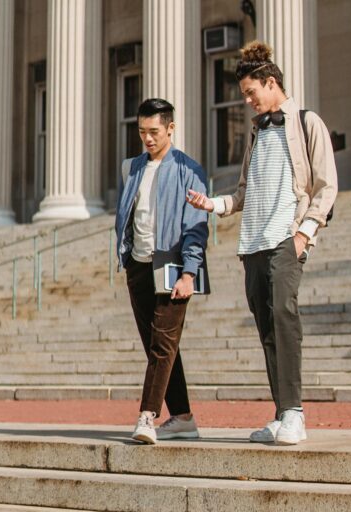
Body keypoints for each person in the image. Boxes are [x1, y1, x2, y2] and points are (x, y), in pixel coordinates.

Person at [187, 41, 337, 445]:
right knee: (267, 327)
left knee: (285, 318)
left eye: (251, 92)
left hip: (286, 238)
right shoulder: (256, 134)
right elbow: (243, 194)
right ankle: (282, 412)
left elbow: (326, 186)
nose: (248, 101)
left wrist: (304, 233)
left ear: (271, 83)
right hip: (252, 242)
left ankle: (296, 414)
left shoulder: (307, 123)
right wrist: (212, 203)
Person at [115, 98, 210, 444]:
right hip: (138, 266)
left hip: (173, 264)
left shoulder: (190, 171)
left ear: (170, 128)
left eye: (154, 131)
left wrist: (190, 273)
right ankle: (183, 417)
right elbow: (127, 213)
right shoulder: (132, 167)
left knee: (162, 344)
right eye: (142, 132)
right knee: (158, 345)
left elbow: (196, 227)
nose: (147, 138)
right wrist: (125, 257)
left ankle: (147, 416)